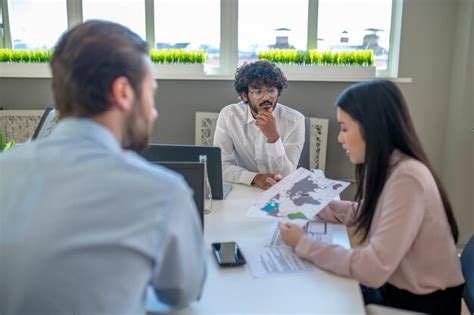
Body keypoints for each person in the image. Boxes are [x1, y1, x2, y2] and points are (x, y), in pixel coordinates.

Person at [0, 21, 206, 314]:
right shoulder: (162, 192)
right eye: (152, 94)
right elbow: (184, 291)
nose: (154, 111)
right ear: (123, 92)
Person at [279, 79, 464, 314]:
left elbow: (372, 268)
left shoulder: (407, 178)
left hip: (419, 304)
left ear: (372, 128)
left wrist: (302, 243)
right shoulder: (393, 167)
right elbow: (369, 211)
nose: (340, 138)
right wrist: (313, 204)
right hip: (400, 290)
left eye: (345, 128)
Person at [213, 60, 305, 190]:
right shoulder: (229, 116)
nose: (266, 98)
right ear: (244, 95)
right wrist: (255, 178)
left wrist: (273, 137)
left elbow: (287, 176)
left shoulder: (295, 120)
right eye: (258, 92)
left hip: (282, 191)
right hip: (244, 188)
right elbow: (221, 166)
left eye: (271, 90)